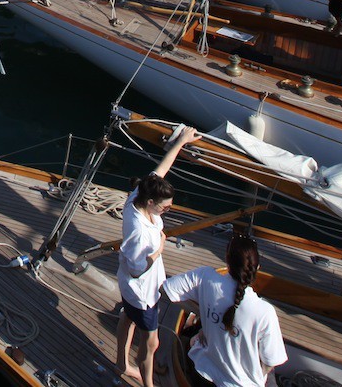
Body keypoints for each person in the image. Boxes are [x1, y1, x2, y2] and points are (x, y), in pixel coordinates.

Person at [114, 126, 201, 387]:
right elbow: (136, 268)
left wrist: (181, 143)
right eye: (165, 208)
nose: (167, 210)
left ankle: (121, 363)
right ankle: (148, 384)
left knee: (127, 319)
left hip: (131, 291)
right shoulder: (140, 233)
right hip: (142, 292)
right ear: (151, 203)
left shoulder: (139, 195)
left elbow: (160, 170)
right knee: (151, 342)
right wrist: (159, 250)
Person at [160, 233, 286, 387]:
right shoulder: (265, 312)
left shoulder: (205, 277)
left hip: (204, 374)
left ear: (227, 262)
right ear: (257, 268)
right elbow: (270, 363)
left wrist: (202, 314)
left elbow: (166, 289)